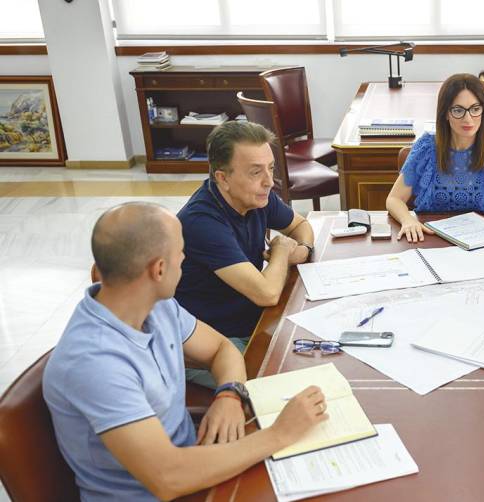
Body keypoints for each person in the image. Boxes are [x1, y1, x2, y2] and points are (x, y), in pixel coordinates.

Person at [44, 202, 329, 501]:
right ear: (159, 269)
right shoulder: (95, 363)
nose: (185, 258)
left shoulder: (156, 304)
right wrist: (279, 434)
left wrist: (230, 394)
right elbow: (168, 478)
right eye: (181, 251)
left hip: (195, 460)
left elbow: (222, 348)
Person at [176, 121, 315, 387]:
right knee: (287, 384)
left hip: (249, 322)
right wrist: (282, 251)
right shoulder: (202, 222)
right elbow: (267, 294)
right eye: (255, 172)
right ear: (223, 178)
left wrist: (304, 249)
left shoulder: (256, 196)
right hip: (210, 346)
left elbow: (300, 225)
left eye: (270, 168)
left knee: (317, 353)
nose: (268, 182)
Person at [385, 73, 484, 247]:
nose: (468, 119)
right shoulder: (427, 148)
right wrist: (407, 220)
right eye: (458, 110)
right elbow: (394, 199)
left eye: (475, 109)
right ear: (445, 113)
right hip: (432, 240)